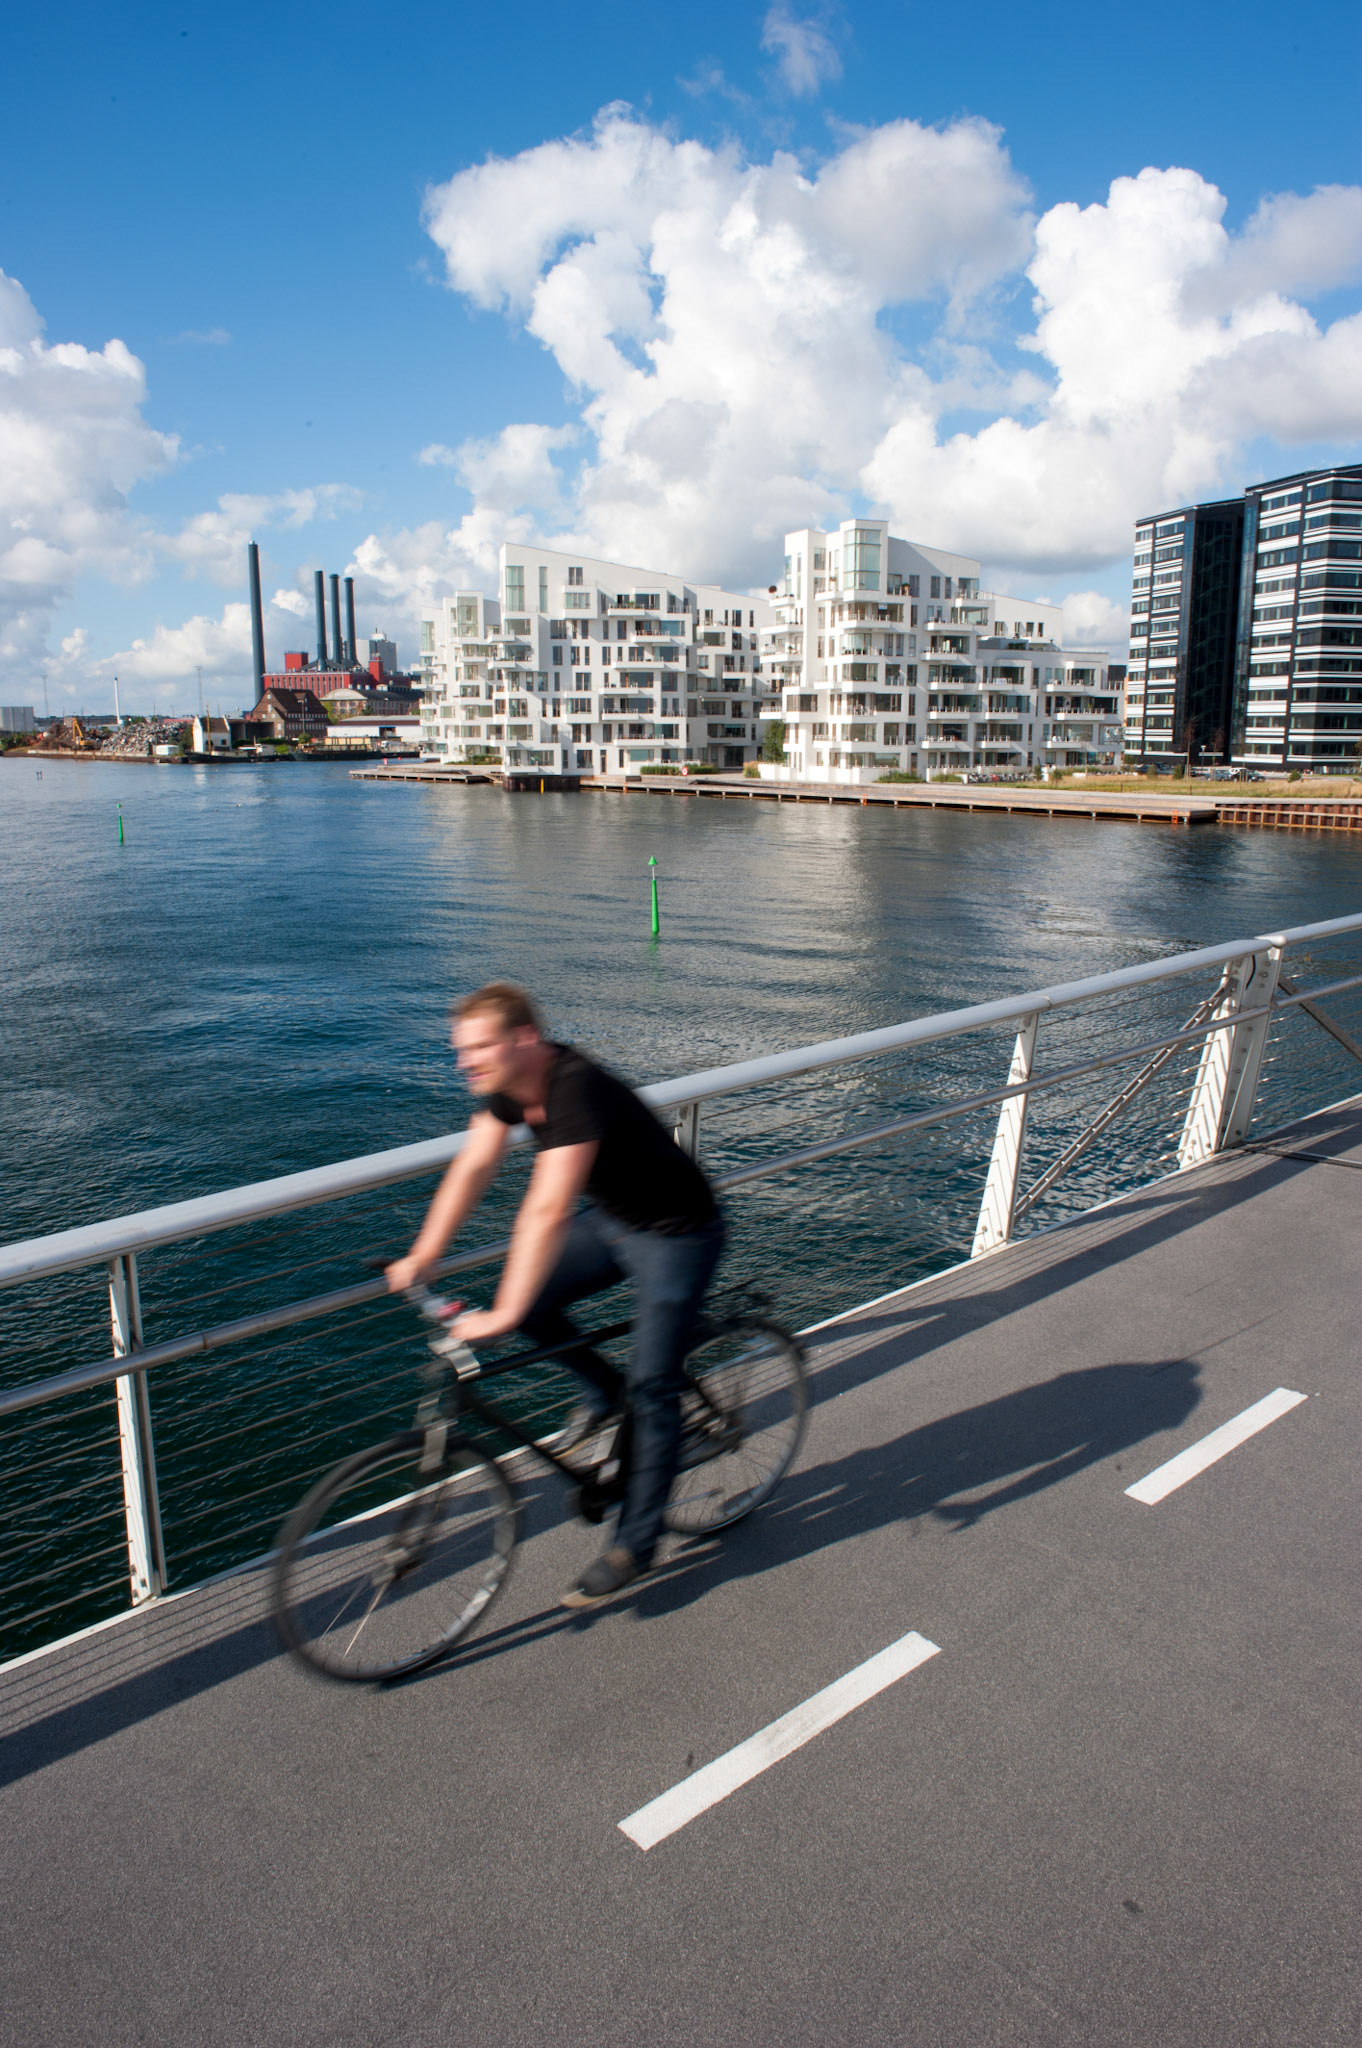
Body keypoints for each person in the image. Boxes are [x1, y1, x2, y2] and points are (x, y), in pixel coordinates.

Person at [387, 982, 725, 1609]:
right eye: (461, 1050)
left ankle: (635, 1543)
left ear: (525, 1039)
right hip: (616, 1220)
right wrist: (425, 1254)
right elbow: (474, 1165)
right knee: (538, 1303)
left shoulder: (573, 1086)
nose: (467, 1062)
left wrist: (504, 1313)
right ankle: (604, 1391)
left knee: (654, 1386)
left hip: (679, 1233)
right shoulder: (510, 1088)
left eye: (480, 1047)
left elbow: (544, 1209)